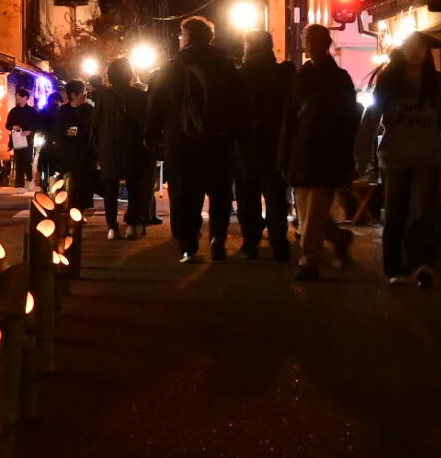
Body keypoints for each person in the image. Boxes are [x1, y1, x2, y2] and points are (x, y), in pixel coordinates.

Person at [361, 36, 441, 289]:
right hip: (395, 157)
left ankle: (423, 263)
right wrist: (362, 155)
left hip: (427, 157)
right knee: (395, 212)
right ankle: (395, 267)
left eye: (420, 47)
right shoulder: (389, 82)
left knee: (423, 212)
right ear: (403, 50)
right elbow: (371, 118)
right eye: (411, 47)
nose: (416, 52)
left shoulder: (435, 83)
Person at [149, 16, 244, 264]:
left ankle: (188, 246)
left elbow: (157, 101)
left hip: (183, 139)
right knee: (220, 192)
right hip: (218, 139)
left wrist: (152, 133)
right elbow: (238, 102)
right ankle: (218, 240)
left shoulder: (175, 64)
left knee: (185, 193)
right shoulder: (224, 64)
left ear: (188, 36)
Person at [280, 24, 360, 281]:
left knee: (314, 210)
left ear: (324, 43)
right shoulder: (301, 76)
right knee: (305, 210)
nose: (308, 45)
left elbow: (349, 121)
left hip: (326, 152)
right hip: (301, 151)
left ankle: (309, 260)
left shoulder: (339, 79)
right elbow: (289, 117)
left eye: (312, 40)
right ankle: (337, 237)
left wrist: (348, 157)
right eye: (307, 40)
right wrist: (284, 152)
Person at [233, 29, 292, 261]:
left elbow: (232, 111)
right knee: (276, 195)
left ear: (248, 47)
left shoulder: (240, 75)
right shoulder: (283, 74)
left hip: (247, 144)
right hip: (276, 143)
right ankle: (279, 243)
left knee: (248, 196)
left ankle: (251, 243)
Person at [92, 57, 156, 239]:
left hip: (109, 147)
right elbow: (145, 122)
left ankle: (112, 227)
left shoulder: (103, 96)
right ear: (129, 74)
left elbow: (95, 124)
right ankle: (132, 224)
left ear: (109, 75)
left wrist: (100, 147)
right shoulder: (139, 95)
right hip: (133, 147)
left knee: (110, 188)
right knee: (134, 186)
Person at [50, 79, 97, 215]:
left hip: (86, 153)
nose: (85, 94)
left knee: (86, 181)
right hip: (68, 153)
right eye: (83, 92)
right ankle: (70, 208)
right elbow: (56, 130)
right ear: (73, 95)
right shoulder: (64, 110)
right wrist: (66, 132)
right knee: (70, 182)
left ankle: (84, 208)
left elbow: (94, 130)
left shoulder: (89, 110)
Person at [5, 89, 44, 188]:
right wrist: (13, 127)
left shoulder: (32, 111)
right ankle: (20, 185)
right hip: (17, 139)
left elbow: (38, 125)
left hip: (28, 139)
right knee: (18, 161)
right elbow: (7, 125)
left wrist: (30, 131)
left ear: (25, 98)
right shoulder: (14, 111)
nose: (17, 97)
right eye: (16, 95)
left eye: (19, 96)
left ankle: (30, 179)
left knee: (27, 160)